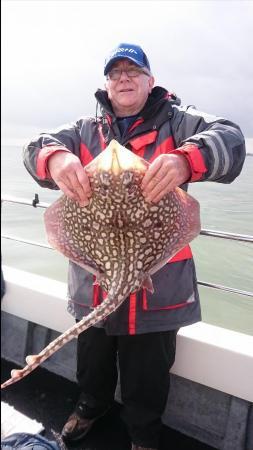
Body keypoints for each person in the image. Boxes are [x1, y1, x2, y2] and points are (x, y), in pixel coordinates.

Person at [23, 43, 246, 450]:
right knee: (91, 361)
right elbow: (34, 146)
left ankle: (142, 435)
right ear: (106, 84)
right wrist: (54, 158)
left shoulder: (179, 123)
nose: (124, 78)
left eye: (134, 71)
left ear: (150, 80)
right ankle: (91, 405)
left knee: (148, 374)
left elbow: (231, 139)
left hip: (158, 286)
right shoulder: (84, 131)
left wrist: (185, 160)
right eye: (115, 73)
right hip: (93, 281)